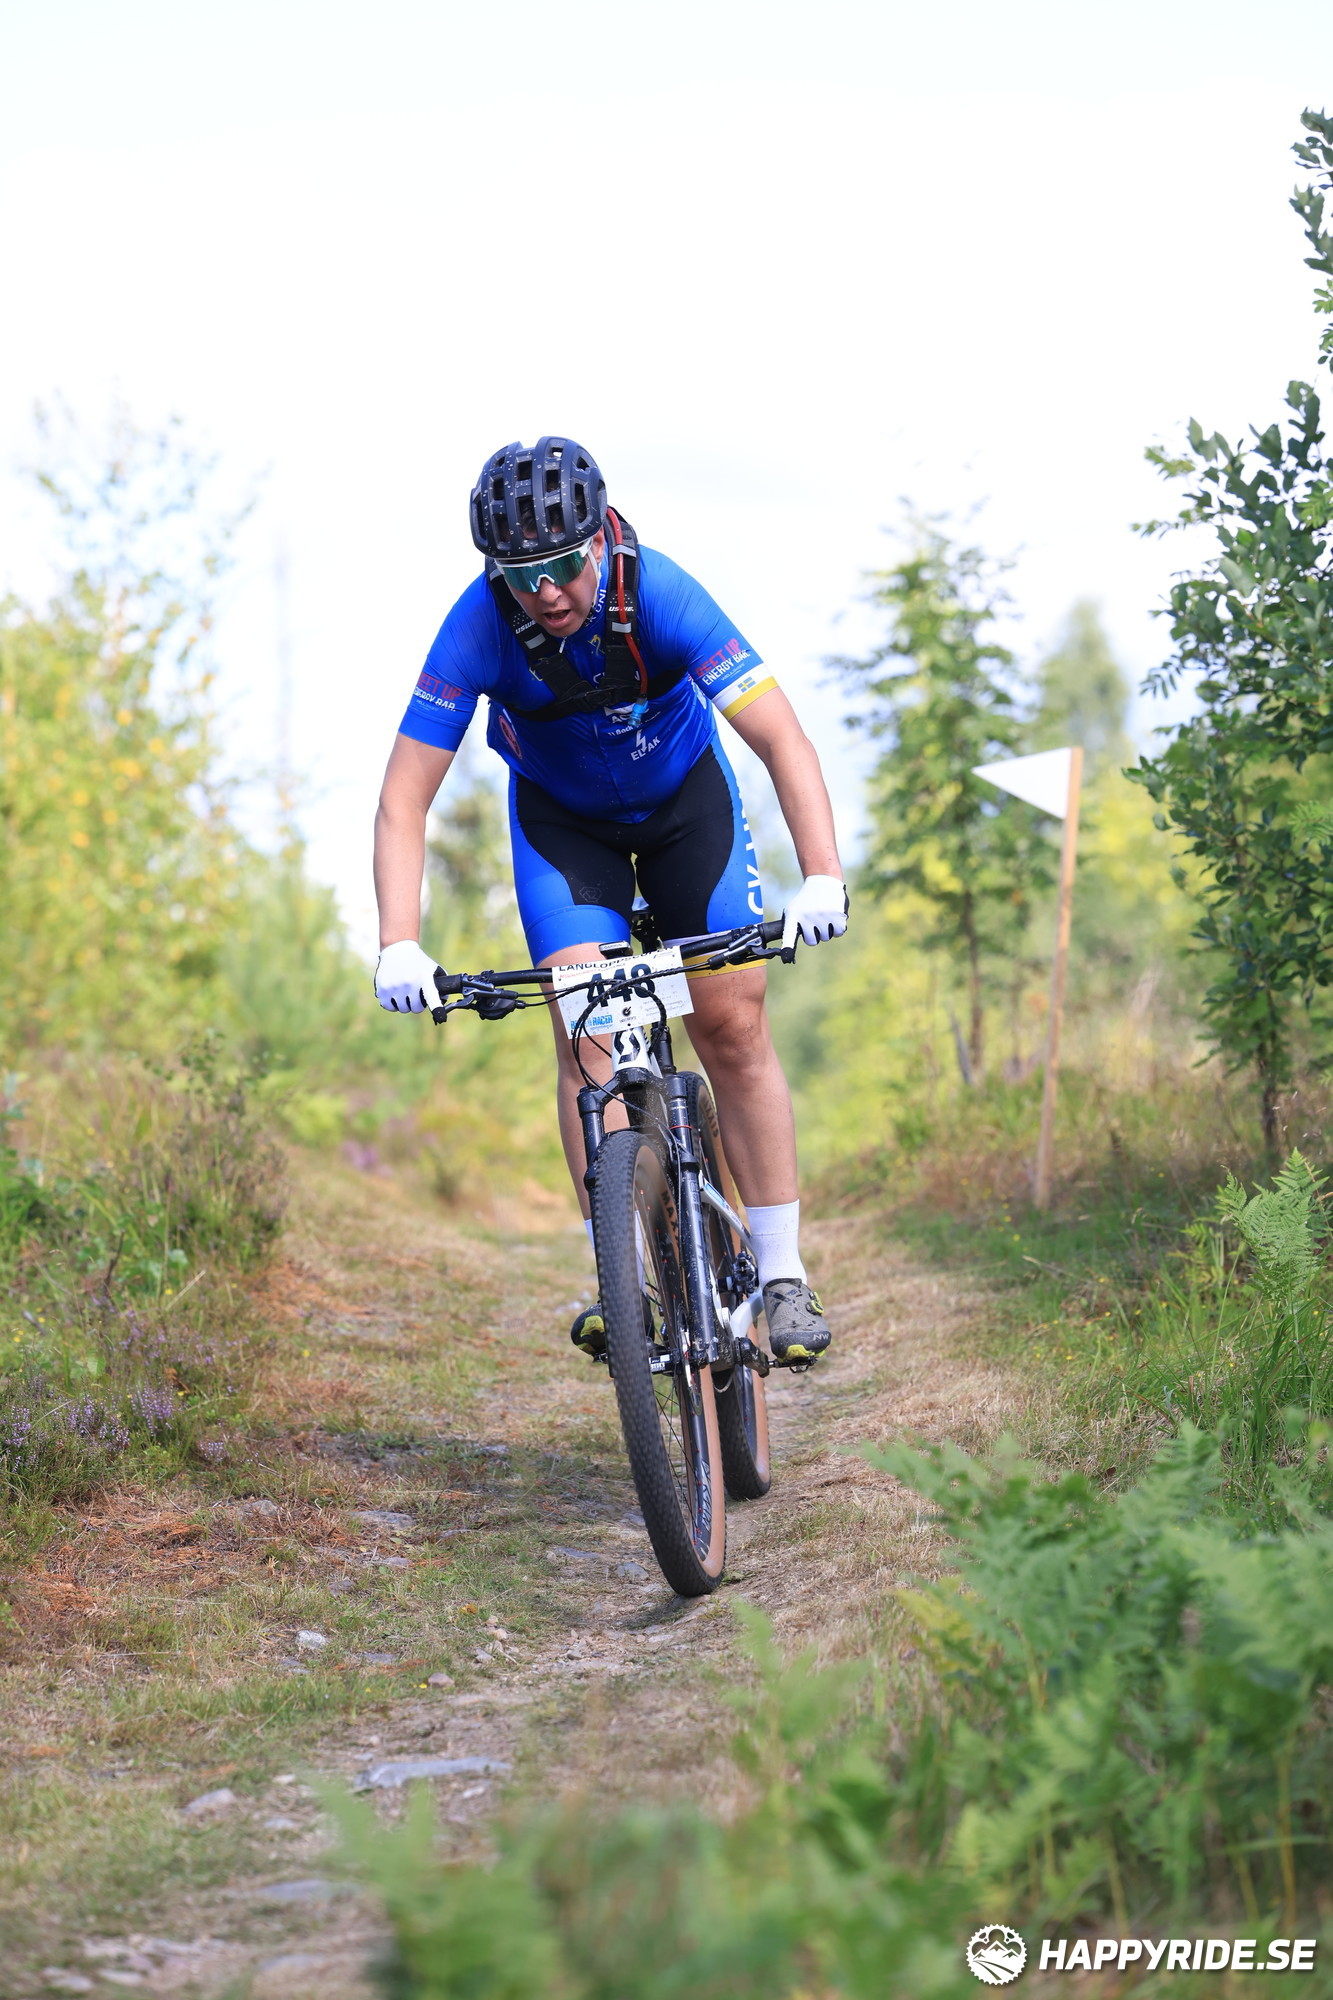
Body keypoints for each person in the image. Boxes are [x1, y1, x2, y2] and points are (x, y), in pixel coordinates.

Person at [372, 437, 846, 1363]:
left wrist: (821, 873)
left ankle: (783, 1274)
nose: (546, 591)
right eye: (521, 576)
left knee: (732, 1024)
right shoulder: (475, 626)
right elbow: (403, 797)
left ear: (599, 540)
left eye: (561, 565)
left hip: (685, 812)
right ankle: (620, 1273)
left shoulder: (661, 592)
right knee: (584, 1034)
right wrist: (399, 940)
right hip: (566, 832)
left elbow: (782, 740)